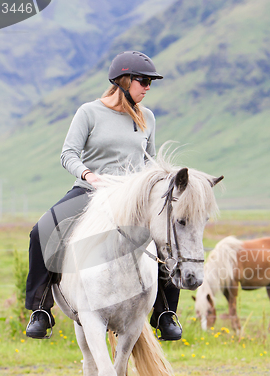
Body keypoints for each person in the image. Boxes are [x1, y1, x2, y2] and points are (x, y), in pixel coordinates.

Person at [25, 50, 182, 342]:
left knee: (169, 237)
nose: (148, 87)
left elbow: (149, 160)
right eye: (143, 80)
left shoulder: (147, 117)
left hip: (133, 198)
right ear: (123, 80)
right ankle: (40, 309)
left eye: (151, 82)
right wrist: (88, 175)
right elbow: (68, 153)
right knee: (41, 231)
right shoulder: (88, 112)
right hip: (91, 190)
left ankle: (164, 313)